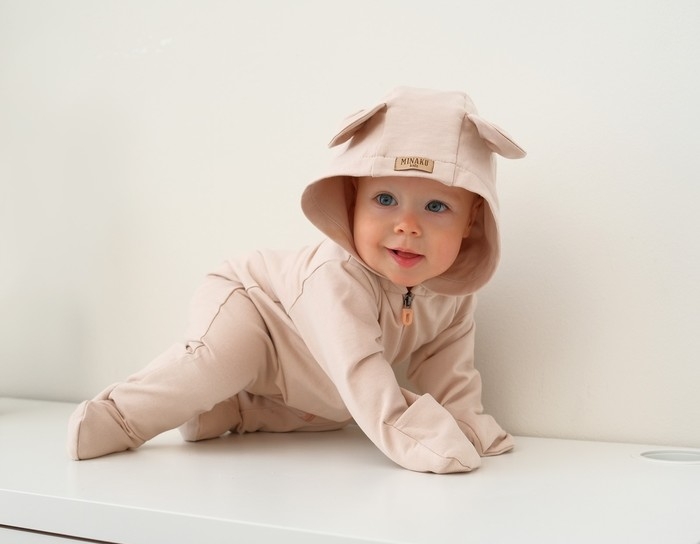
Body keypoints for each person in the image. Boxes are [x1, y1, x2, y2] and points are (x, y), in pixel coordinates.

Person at [67, 86, 525, 473]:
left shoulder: (452, 291)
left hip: (314, 372)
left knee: (338, 409)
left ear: (471, 221)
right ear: (352, 201)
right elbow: (361, 370)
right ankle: (118, 416)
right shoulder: (337, 274)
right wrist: (421, 440)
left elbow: (448, 366)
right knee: (221, 363)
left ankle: (232, 411)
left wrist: (464, 421)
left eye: (436, 207)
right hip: (255, 304)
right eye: (385, 199)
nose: (407, 226)